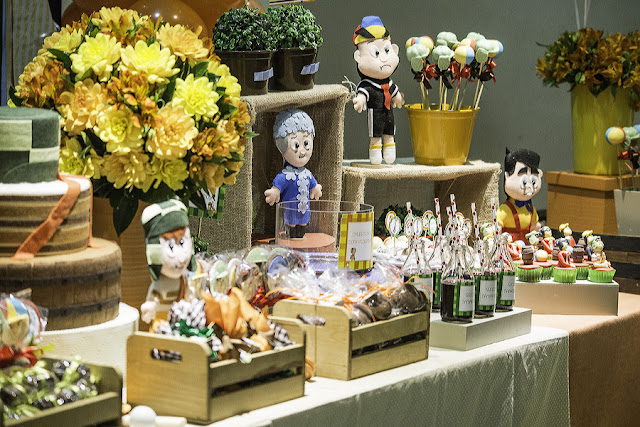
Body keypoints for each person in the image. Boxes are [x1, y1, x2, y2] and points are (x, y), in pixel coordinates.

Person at [352, 15, 404, 165]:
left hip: (389, 113)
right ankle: (375, 153)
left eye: (387, 50)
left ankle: (390, 150)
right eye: (376, 53)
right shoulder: (368, 85)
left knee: (390, 131)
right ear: (358, 57)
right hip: (375, 114)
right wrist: (360, 100)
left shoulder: (389, 83)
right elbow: (363, 92)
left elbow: (394, 91)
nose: (383, 58)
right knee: (376, 134)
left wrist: (398, 98)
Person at [140, 199, 197, 331]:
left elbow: (188, 294)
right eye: (170, 246)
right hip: (162, 321)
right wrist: (150, 307)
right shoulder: (159, 284)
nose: (180, 256)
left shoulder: (183, 278)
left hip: (181, 321)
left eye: (182, 243)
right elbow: (152, 299)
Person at [265, 109, 322, 239]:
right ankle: (291, 236)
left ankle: (300, 235)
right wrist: (274, 192)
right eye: (296, 145)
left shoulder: (307, 174)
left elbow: (313, 184)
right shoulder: (285, 175)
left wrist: (316, 188)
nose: (302, 151)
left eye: (306, 144)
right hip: (290, 210)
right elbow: (278, 186)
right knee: (291, 226)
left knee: (302, 225)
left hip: (304, 209)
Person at [497, 148, 543, 243]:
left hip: (527, 245)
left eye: (533, 181)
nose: (529, 187)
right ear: (507, 176)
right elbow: (498, 226)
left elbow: (534, 225)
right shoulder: (505, 209)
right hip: (510, 245)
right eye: (524, 182)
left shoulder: (530, 208)